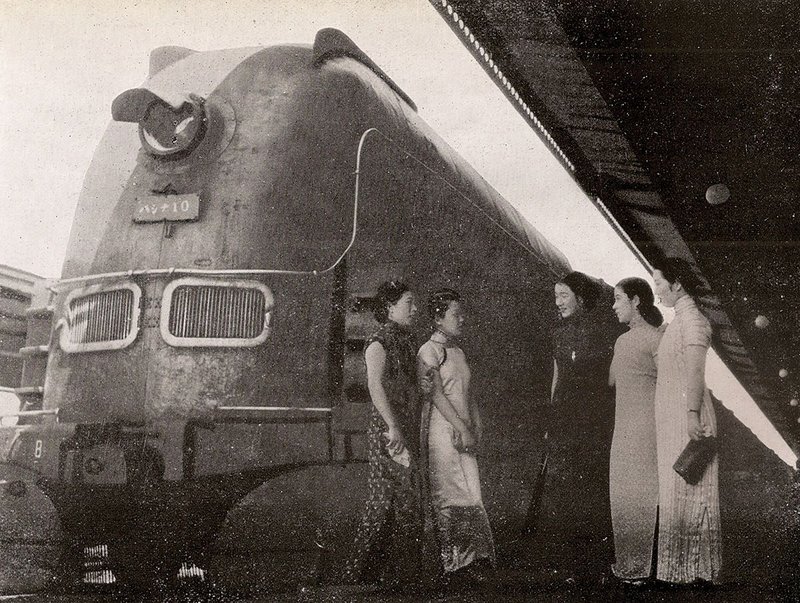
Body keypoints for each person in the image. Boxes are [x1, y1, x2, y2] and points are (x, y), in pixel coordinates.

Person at [344, 280, 425, 590]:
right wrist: (393, 427)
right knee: (393, 502)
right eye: (408, 302)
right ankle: (369, 578)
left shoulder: (409, 339)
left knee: (395, 502)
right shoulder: (378, 342)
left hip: (406, 426)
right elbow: (375, 386)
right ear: (390, 307)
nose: (414, 308)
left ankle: (382, 577)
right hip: (390, 431)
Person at [542, 271, 622, 583]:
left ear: (579, 296)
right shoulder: (557, 333)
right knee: (566, 494)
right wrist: (551, 418)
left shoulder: (602, 330)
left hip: (592, 420)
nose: (557, 302)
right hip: (564, 419)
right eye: (556, 296)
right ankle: (573, 567)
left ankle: (599, 565)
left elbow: (609, 381)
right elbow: (556, 377)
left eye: (562, 295)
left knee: (592, 490)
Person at [417, 289, 495, 581]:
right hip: (442, 429)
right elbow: (436, 394)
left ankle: (473, 559)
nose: (461, 320)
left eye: (462, 314)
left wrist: (476, 421)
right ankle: (453, 563)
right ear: (438, 318)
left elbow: (467, 391)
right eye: (455, 315)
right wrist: (461, 427)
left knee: (472, 494)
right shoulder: (428, 351)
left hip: (465, 429)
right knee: (449, 494)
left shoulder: (459, 352)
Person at [652, 258, 721, 585]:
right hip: (676, 419)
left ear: (676, 283)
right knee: (679, 493)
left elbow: (695, 371)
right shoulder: (679, 322)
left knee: (691, 494)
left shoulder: (693, 321)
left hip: (689, 420)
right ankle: (686, 573)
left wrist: (692, 414)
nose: (656, 293)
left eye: (659, 285)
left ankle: (695, 574)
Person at [608, 277, 664, 584]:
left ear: (636, 301)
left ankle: (632, 566)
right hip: (643, 426)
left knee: (626, 494)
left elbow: (611, 381)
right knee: (641, 494)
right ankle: (641, 567)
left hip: (631, 427)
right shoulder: (656, 339)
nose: (614, 306)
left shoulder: (626, 341)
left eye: (618, 299)